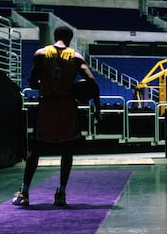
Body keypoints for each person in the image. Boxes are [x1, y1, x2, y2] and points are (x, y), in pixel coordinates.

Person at [13, 26, 101, 206]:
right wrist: (97, 109)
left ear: (55, 36)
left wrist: (44, 85)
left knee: (35, 149)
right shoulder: (76, 57)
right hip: (67, 105)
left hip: (47, 104)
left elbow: (32, 82)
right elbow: (93, 83)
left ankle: (24, 192)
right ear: (69, 39)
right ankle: (61, 193)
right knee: (67, 150)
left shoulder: (41, 53)